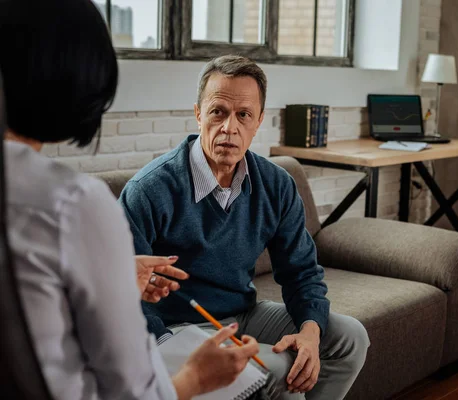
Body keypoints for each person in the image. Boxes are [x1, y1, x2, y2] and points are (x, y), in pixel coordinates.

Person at [0, 1, 264, 399]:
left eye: (244, 115)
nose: (230, 127)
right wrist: (195, 377)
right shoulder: (73, 204)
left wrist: (115, 273)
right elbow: (135, 391)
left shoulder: (269, 181)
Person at [119, 54, 370, 399]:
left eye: (243, 115)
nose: (229, 127)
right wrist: (167, 351)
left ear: (258, 122)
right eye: (218, 112)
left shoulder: (276, 185)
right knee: (279, 367)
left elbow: (301, 272)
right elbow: (121, 291)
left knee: (350, 337)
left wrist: (310, 331)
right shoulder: (149, 190)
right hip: (177, 329)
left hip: (243, 314)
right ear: (198, 114)